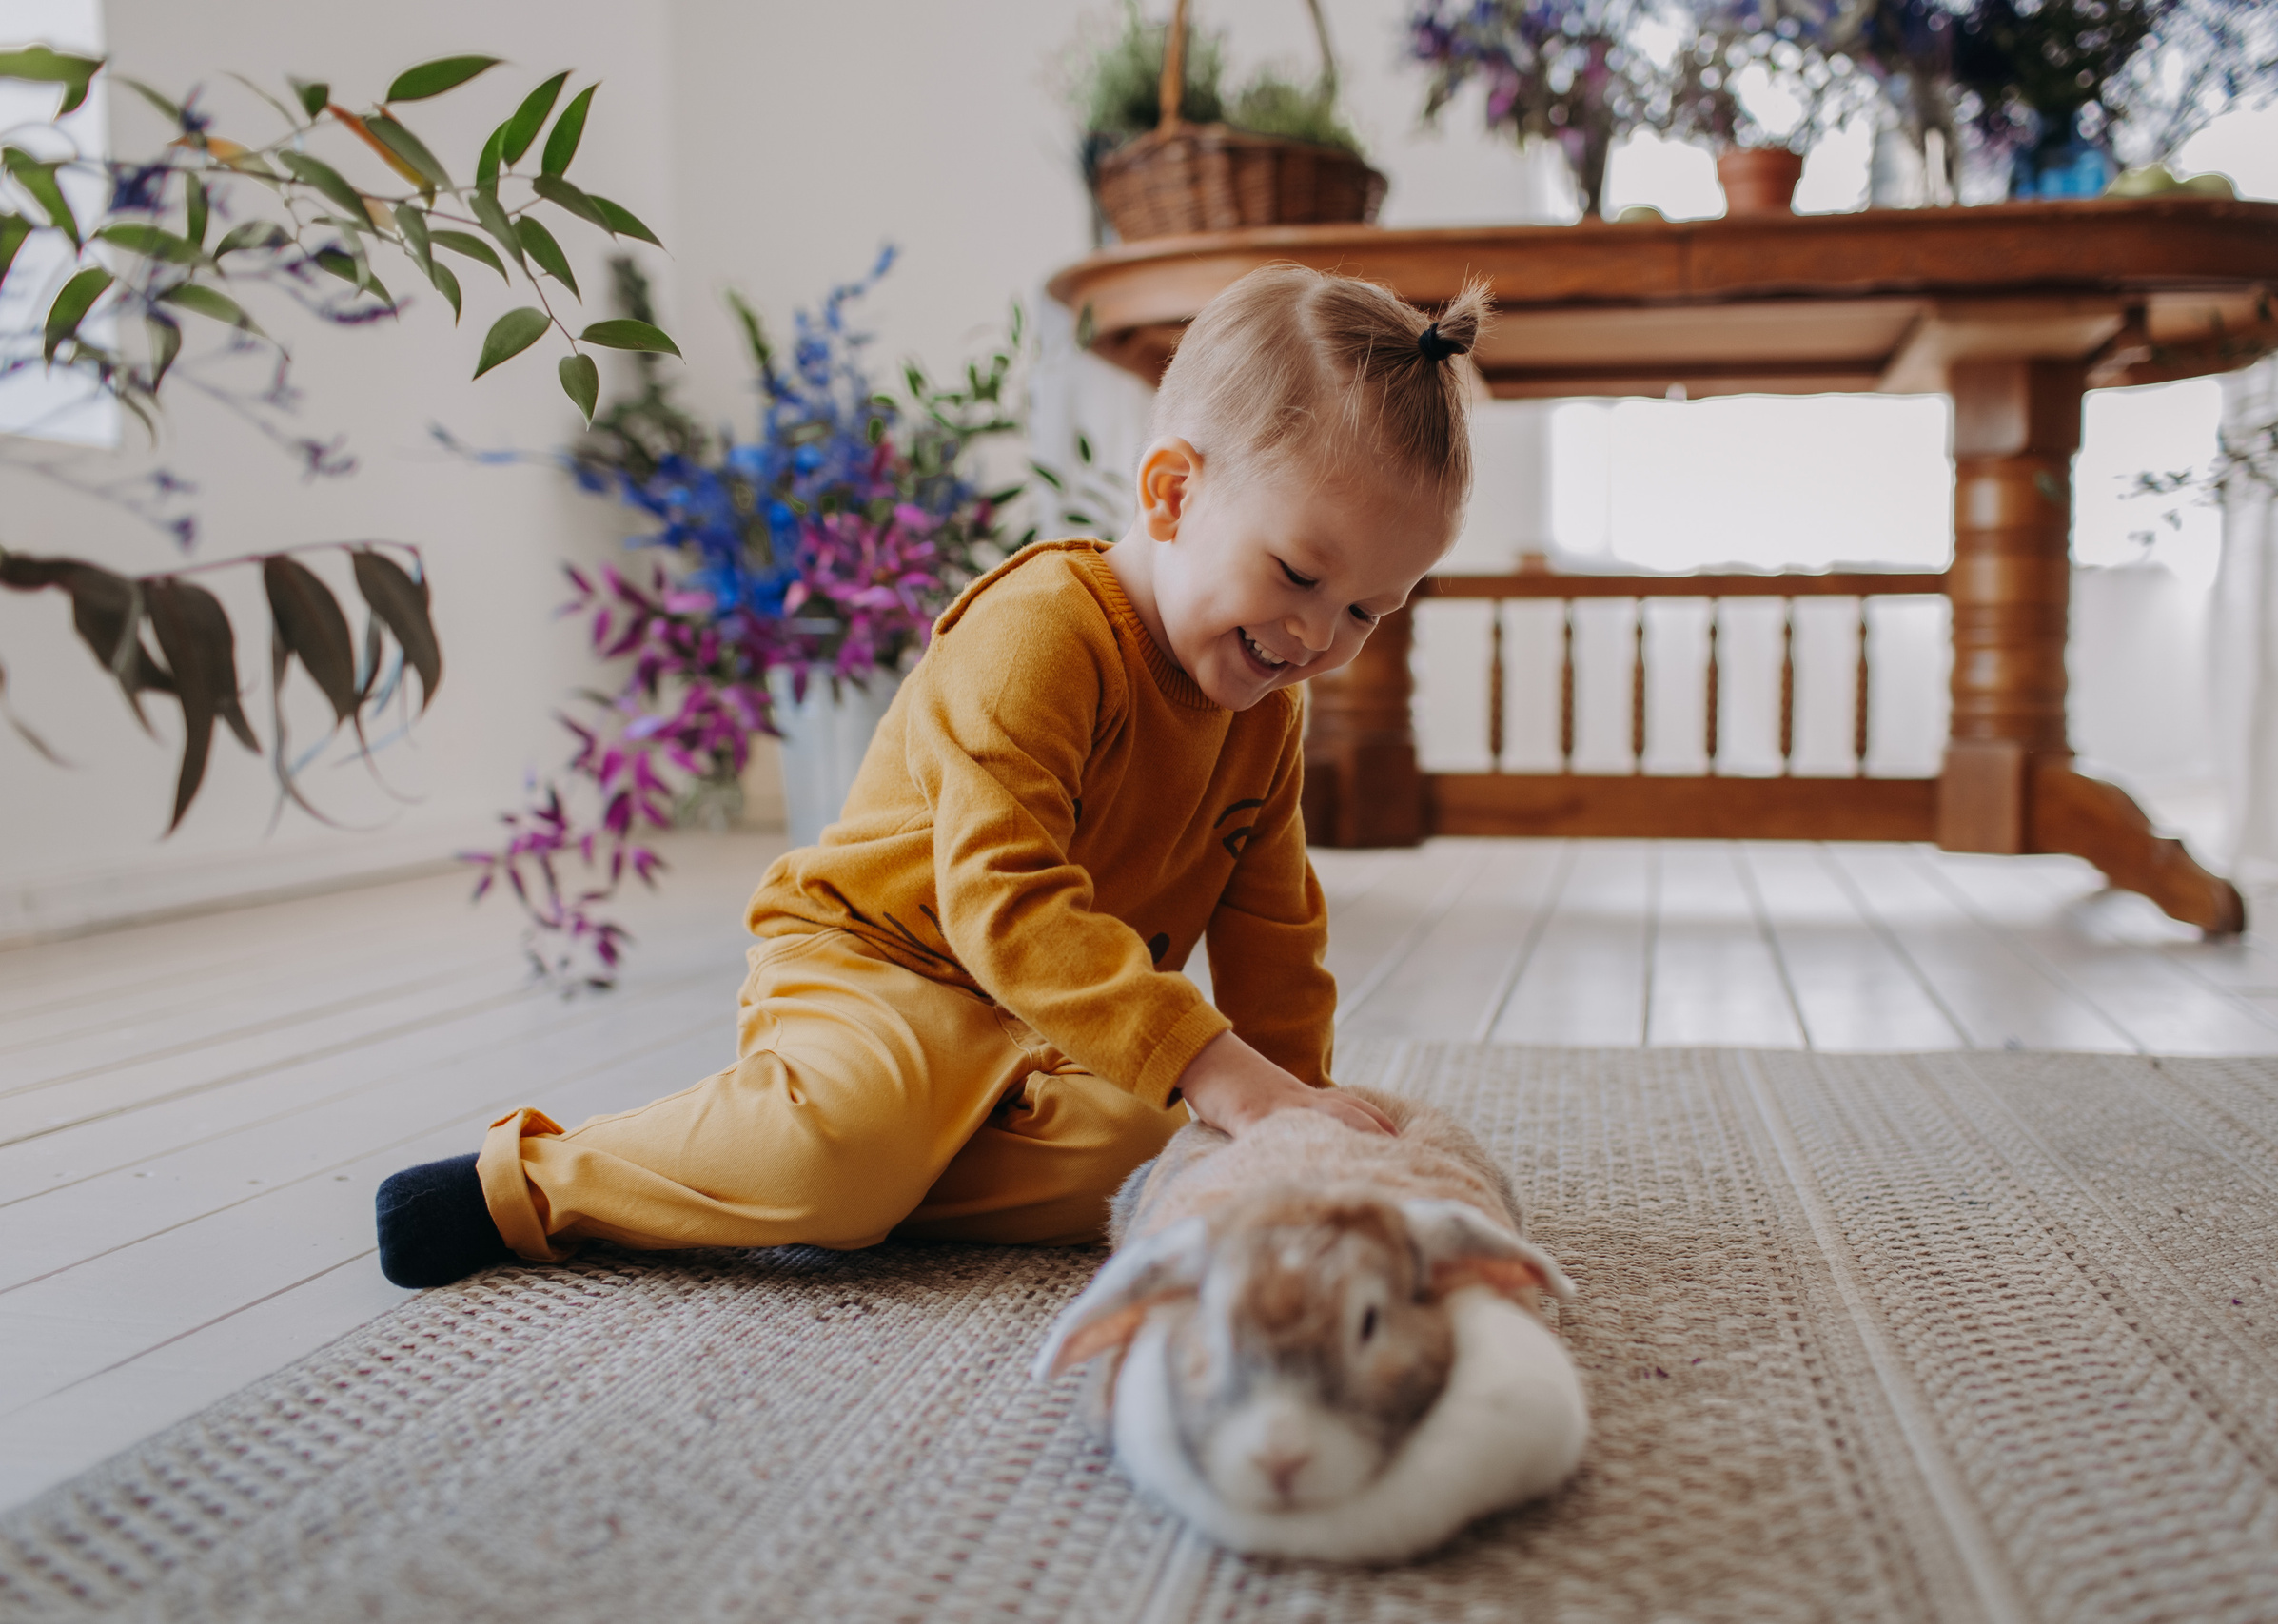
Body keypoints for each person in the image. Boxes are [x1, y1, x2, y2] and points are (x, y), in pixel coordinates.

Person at [374, 265, 1495, 1288]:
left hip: (1032, 1025)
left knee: (1148, 1142)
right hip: (880, 963)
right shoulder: (1043, 632)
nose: (1315, 635)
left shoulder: (1266, 712)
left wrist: (1285, 1119)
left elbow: (1275, 936)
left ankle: (870, 1181)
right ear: (1171, 493)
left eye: (1366, 612)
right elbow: (1000, 901)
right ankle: (531, 1184)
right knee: (852, 1141)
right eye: (1299, 574)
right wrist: (1218, 1070)